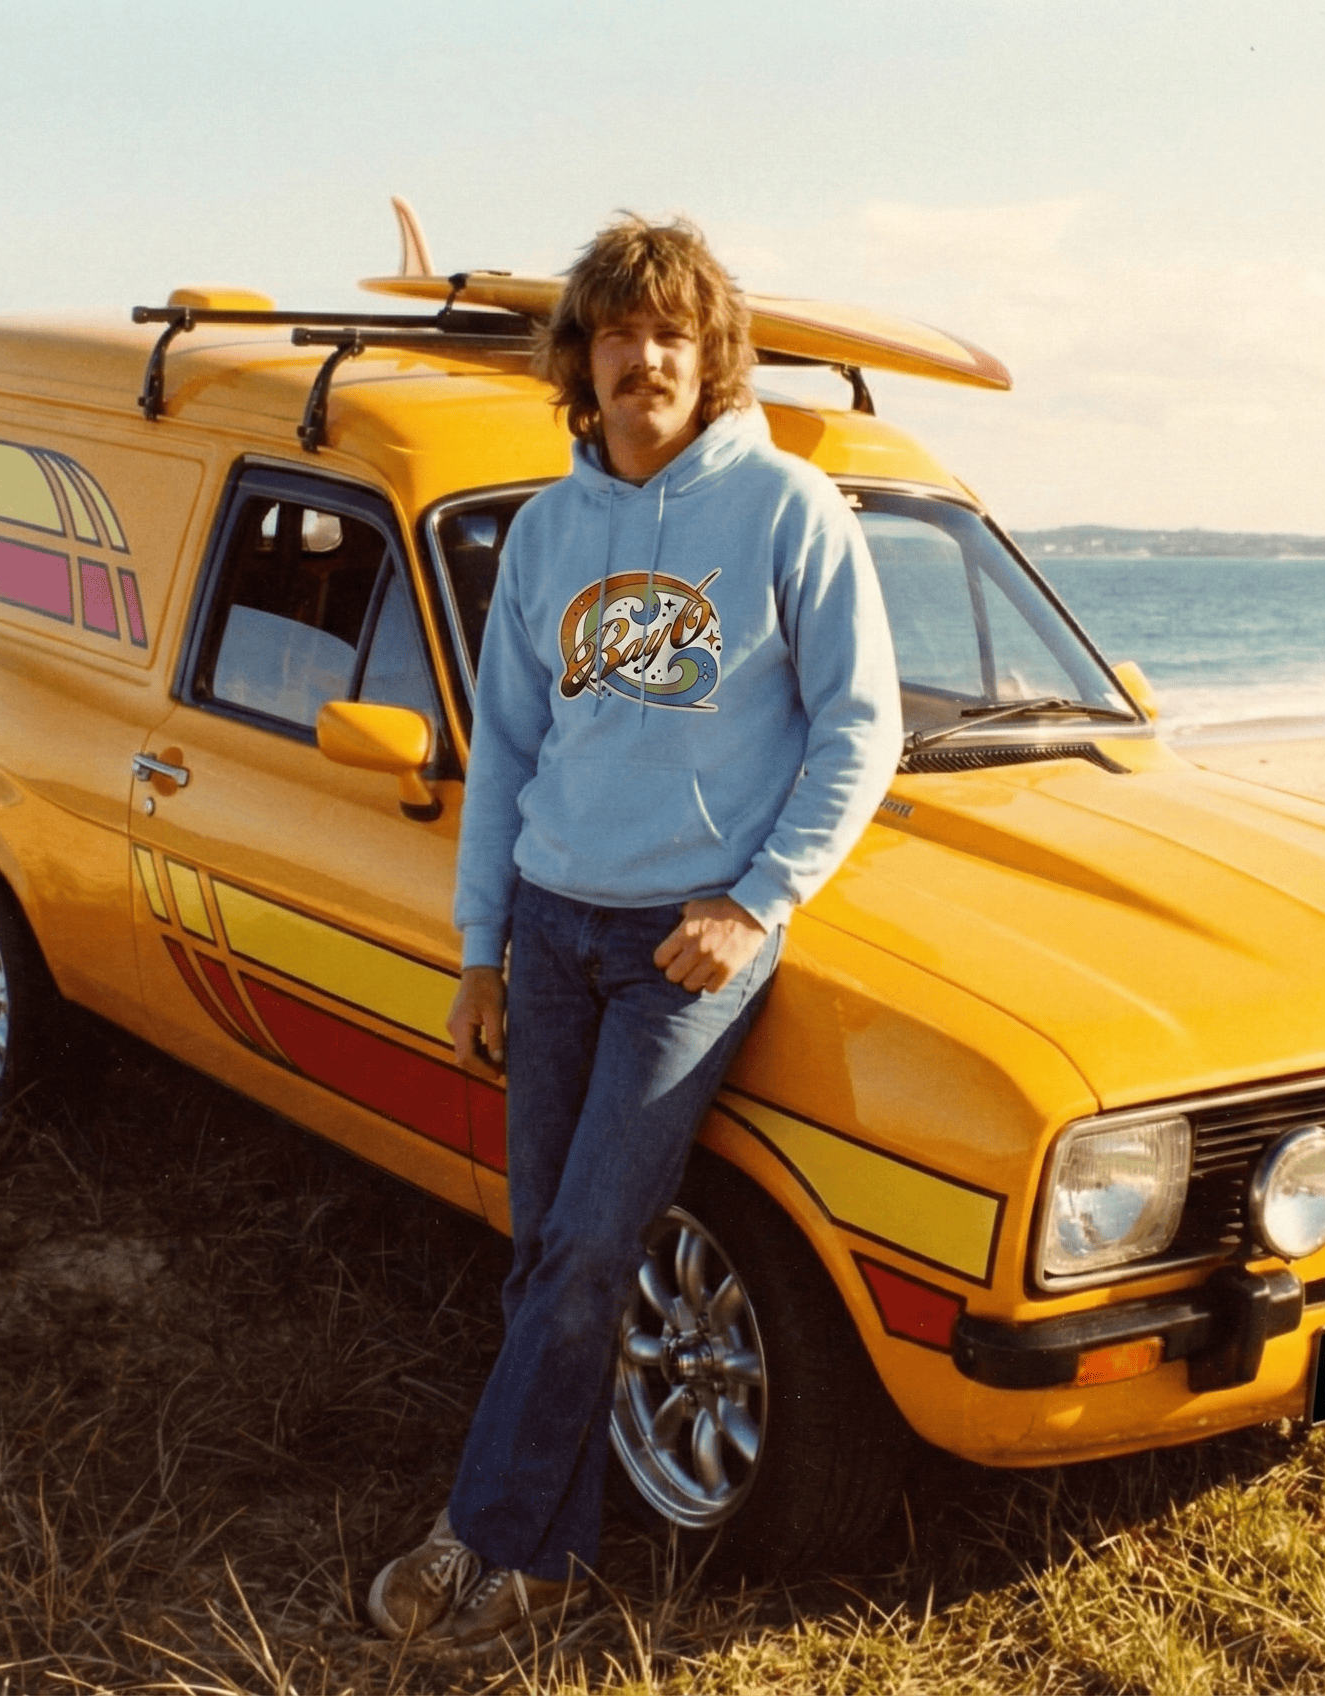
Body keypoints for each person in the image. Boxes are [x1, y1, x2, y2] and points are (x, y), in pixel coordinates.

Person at [366, 215, 901, 1649]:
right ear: (582, 364)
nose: (645, 358)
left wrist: (756, 901)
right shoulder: (546, 532)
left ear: (713, 358)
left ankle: (479, 1533)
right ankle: (547, 1556)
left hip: (687, 945)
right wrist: (479, 948)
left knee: (593, 1244)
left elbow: (863, 732)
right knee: (547, 1245)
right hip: (550, 927)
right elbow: (509, 756)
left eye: (673, 335)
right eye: (619, 335)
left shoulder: (790, 510)